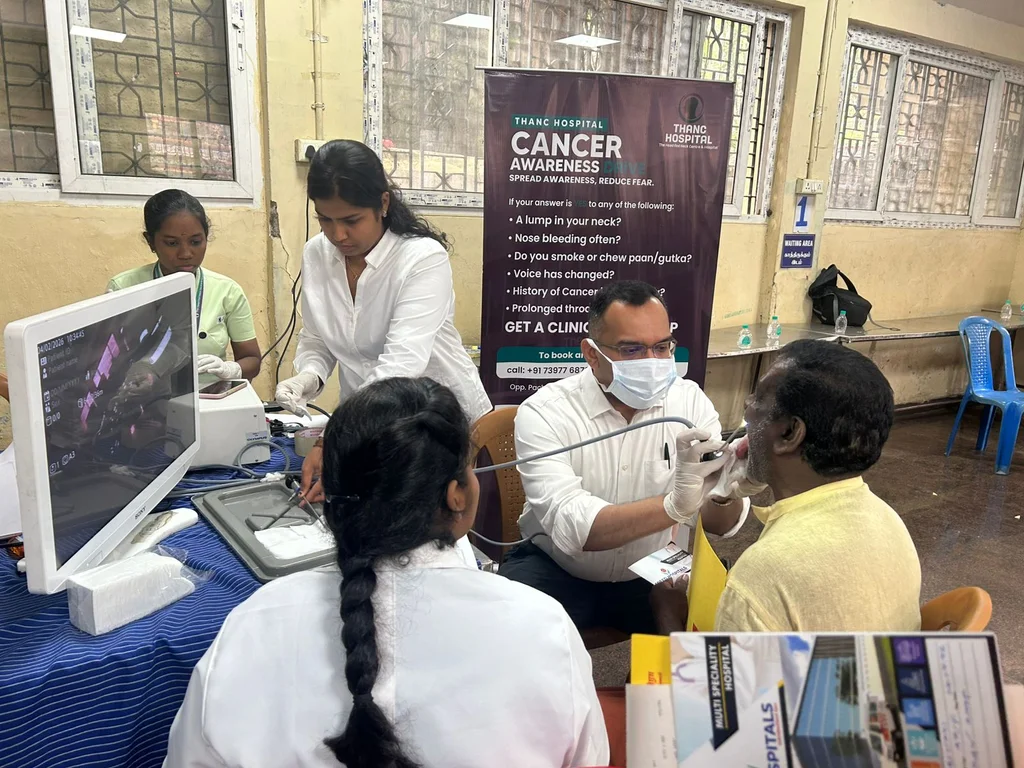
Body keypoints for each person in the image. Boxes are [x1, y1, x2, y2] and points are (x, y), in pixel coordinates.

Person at [164, 377, 608, 767]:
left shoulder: (252, 624)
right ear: (457, 495)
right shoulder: (542, 628)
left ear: (330, 492)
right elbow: (588, 757)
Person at [500, 281, 749, 635]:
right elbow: (576, 529)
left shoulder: (689, 403)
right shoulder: (545, 413)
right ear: (591, 354)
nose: (652, 363)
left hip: (651, 570)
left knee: (717, 627)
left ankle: (649, 690)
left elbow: (723, 526)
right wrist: (674, 506)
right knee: (509, 633)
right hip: (558, 568)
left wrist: (726, 491)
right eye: (632, 350)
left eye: (662, 347)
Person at [275, 139, 490, 502]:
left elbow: (400, 366)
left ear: (383, 204)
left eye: (351, 220)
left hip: (434, 424)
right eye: (325, 219)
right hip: (368, 427)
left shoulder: (421, 258)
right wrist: (309, 376)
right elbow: (318, 337)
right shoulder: (317, 255)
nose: (337, 235)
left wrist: (334, 440)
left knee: (424, 531)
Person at [714, 339, 921, 632]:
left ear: (789, 433)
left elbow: (724, 679)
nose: (747, 407)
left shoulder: (762, 574)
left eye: (758, 399)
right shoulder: (888, 519)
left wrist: (669, 618)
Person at [107, 189, 261, 382]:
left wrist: (231, 369)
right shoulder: (124, 288)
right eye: (172, 243)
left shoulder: (227, 291)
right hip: (146, 403)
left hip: (209, 399)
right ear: (151, 242)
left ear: (206, 237)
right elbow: (108, 361)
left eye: (196, 242)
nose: (186, 253)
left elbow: (252, 360)